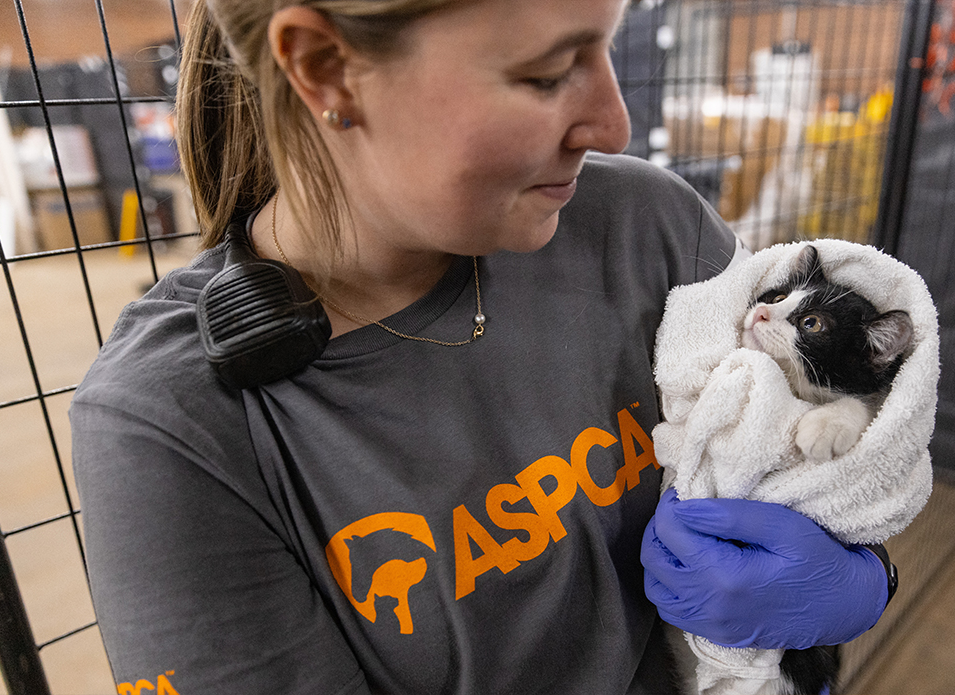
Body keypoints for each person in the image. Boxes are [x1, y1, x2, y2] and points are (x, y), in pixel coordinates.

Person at [70, 0, 892, 693]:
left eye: (604, 46)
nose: (613, 121)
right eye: (544, 74)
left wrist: (861, 576)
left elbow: (833, 469)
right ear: (324, 67)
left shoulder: (650, 230)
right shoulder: (174, 425)